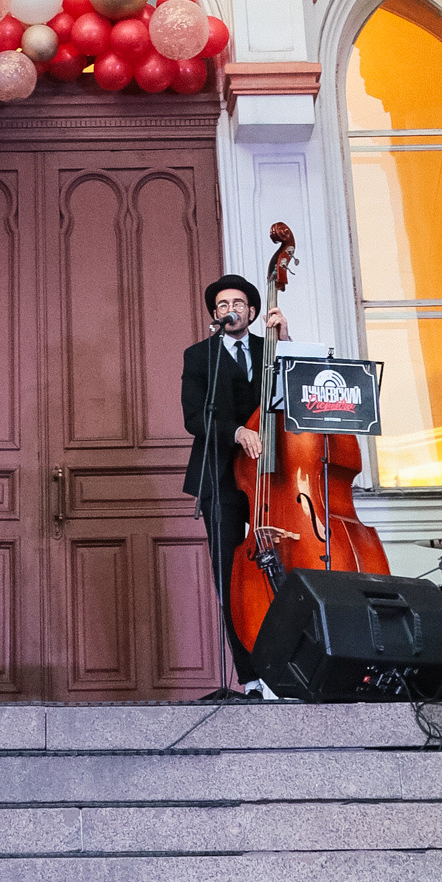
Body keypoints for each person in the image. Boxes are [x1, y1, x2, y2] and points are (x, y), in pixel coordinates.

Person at [180, 273, 288, 690]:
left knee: (284, 572)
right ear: (215, 314)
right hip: (221, 476)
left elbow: (297, 393)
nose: (230, 310)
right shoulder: (198, 356)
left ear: (253, 311)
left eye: (238, 303)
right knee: (229, 578)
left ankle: (292, 671)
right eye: (222, 305)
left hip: (272, 476)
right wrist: (236, 431)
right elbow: (194, 417)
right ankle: (252, 678)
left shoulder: (271, 350)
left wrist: (285, 339)